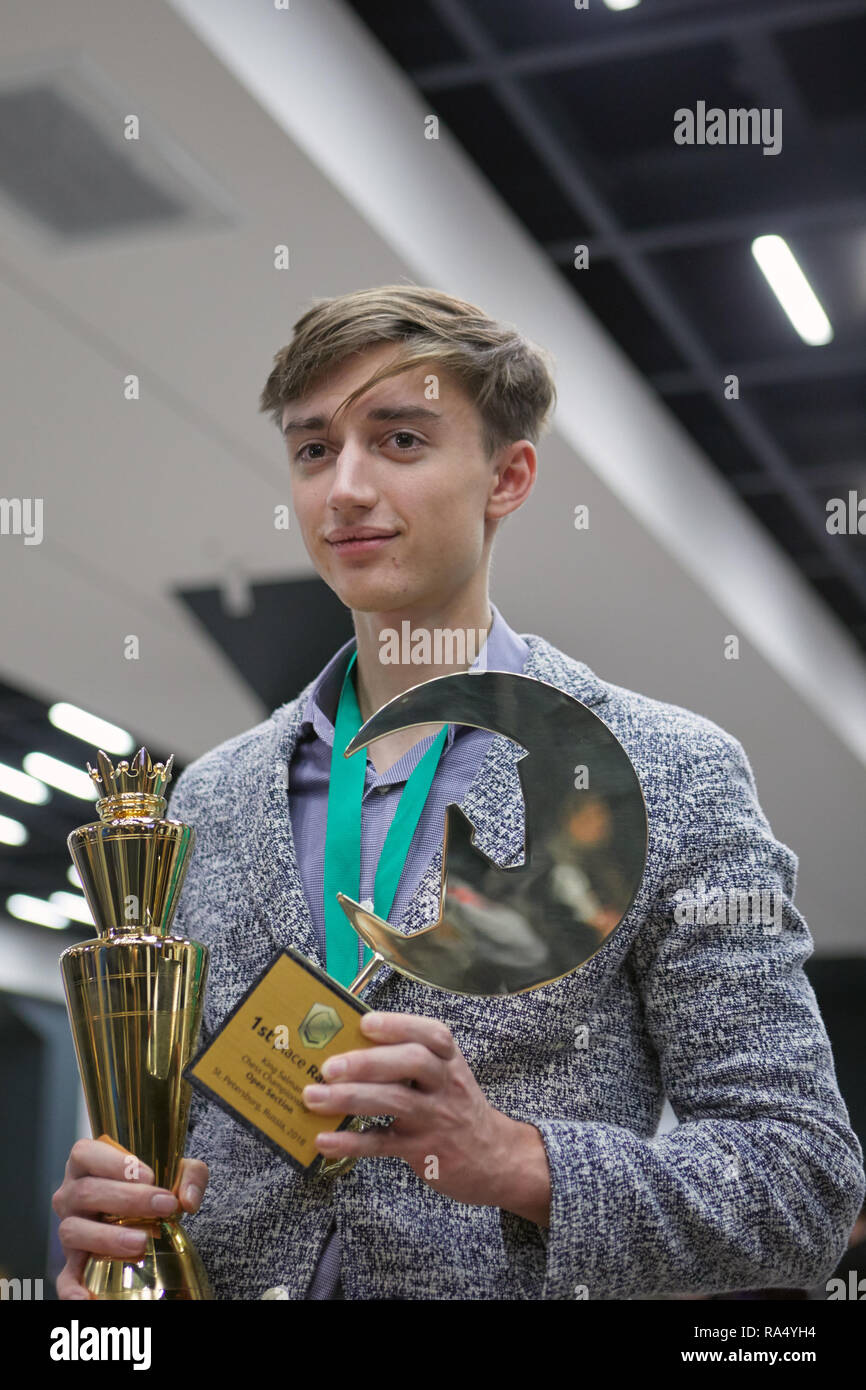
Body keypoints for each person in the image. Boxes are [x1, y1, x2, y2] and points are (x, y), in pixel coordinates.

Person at [53, 285, 865, 1301]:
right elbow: (174, 1147)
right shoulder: (206, 803)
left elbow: (801, 1183)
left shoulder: (664, 774)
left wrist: (514, 1157)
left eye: (397, 440)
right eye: (312, 450)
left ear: (508, 475)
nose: (343, 487)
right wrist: (115, 1219)